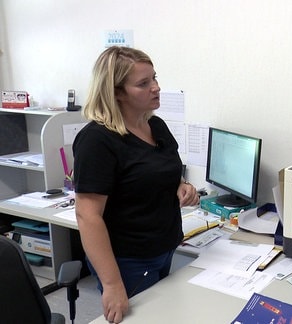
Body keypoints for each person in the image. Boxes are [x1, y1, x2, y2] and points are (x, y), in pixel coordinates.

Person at [72, 46, 200, 323]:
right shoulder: (97, 141)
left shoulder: (156, 126)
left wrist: (181, 185)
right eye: (143, 84)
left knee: (166, 315)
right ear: (116, 91)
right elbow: (87, 215)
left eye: (154, 78)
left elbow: (160, 171)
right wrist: (112, 284)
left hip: (164, 246)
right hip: (128, 260)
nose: (156, 88)